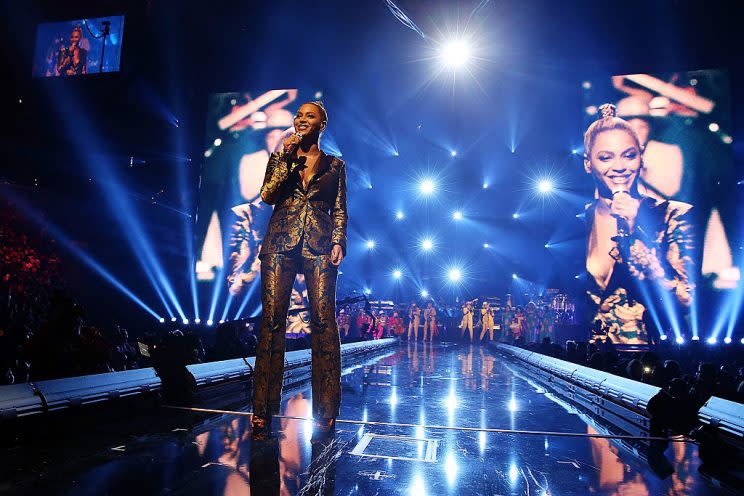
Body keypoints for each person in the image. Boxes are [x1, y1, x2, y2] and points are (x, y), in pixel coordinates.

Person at [251, 101, 347, 436]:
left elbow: (339, 208)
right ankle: (262, 409)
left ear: (322, 124)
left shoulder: (335, 165)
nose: (301, 119)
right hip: (279, 243)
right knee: (273, 322)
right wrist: (287, 160)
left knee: (324, 321)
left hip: (320, 244)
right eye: (298, 116)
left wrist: (339, 240)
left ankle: (327, 408)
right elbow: (267, 194)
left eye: (309, 116)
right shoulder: (282, 157)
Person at [583, 104, 695, 345]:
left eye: (629, 155)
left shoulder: (673, 215)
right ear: (588, 163)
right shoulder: (579, 220)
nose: (620, 166)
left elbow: (687, 299)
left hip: (653, 355)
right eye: (605, 157)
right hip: (587, 358)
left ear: (641, 158)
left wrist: (639, 231)